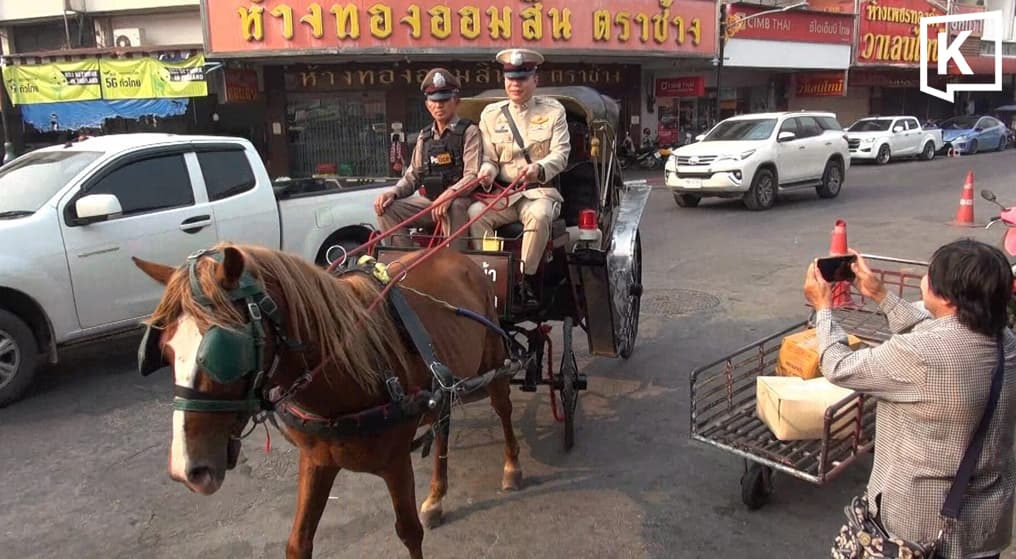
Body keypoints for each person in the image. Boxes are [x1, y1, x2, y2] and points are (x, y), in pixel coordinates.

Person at [803, 241, 1016, 559]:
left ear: (947, 298)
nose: (924, 280)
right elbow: (942, 331)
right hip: (986, 524)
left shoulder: (918, 354)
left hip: (919, 526)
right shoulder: (1006, 342)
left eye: (930, 275)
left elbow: (838, 366)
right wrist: (880, 294)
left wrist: (823, 309)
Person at [468, 48, 570, 309]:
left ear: (535, 80)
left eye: (522, 78)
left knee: (539, 215)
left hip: (539, 192)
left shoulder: (553, 111)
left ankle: (525, 282)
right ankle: (491, 278)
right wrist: (487, 172)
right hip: (505, 195)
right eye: (511, 79)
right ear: (505, 80)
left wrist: (539, 168)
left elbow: (561, 154)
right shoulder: (491, 115)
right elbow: (489, 158)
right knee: (476, 214)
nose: (516, 84)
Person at [374, 68, 480, 251]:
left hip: (461, 200)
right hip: (430, 201)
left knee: (454, 206)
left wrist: (450, 194)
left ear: (456, 101)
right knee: (386, 209)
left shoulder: (469, 132)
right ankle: (405, 260)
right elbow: (413, 176)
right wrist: (393, 193)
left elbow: (473, 175)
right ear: (427, 104)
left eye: (444, 100)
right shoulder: (424, 137)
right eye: (434, 100)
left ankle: (454, 261)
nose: (439, 106)